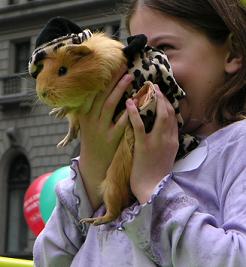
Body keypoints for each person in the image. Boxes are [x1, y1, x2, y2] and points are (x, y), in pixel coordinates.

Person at [33, 0, 246, 266]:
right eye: (138, 51)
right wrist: (91, 172)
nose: (144, 66)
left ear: (232, 54)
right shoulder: (123, 151)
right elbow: (49, 260)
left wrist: (152, 187)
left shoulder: (238, 147)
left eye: (165, 49)